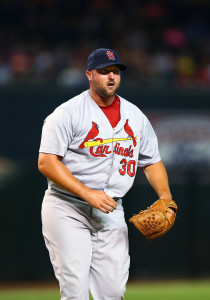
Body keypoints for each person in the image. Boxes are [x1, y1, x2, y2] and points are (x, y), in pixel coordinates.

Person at [38, 48, 172, 300]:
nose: (111, 76)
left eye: (116, 71)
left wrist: (166, 197)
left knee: (112, 292)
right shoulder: (68, 113)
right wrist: (86, 193)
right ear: (89, 74)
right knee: (75, 289)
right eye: (103, 72)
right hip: (66, 207)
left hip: (111, 208)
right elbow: (46, 162)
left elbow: (152, 161)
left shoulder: (135, 116)